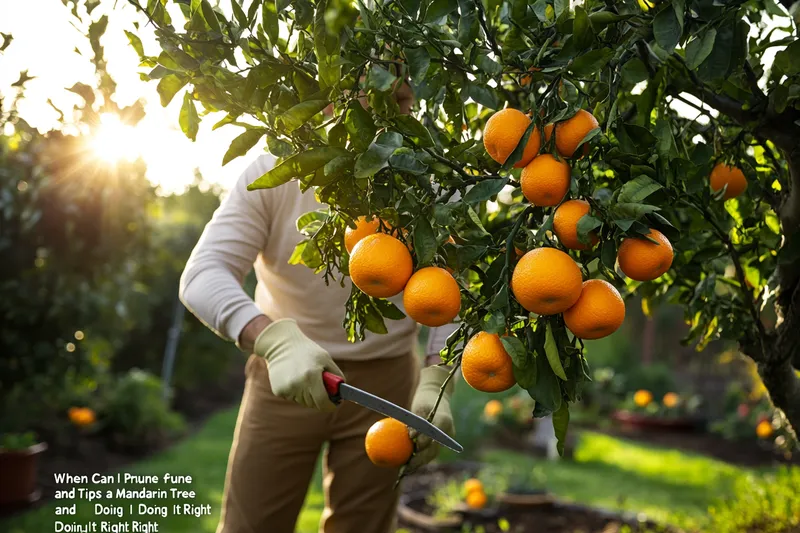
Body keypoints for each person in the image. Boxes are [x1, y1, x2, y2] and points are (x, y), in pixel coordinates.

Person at [179, 86, 457, 533]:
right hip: (286, 376)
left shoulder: (429, 178)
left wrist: (436, 378)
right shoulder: (275, 172)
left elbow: (452, 289)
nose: (396, 114)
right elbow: (202, 274)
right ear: (335, 95)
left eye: (404, 101)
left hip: (386, 382)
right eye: (380, 96)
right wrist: (272, 340)